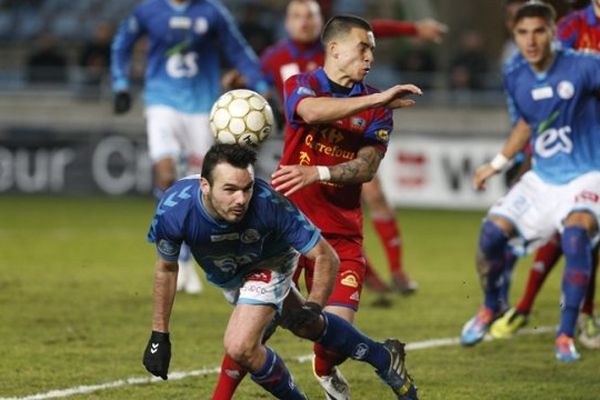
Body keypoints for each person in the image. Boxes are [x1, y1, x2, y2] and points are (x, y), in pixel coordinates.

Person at [212, 11, 423, 400]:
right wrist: (379, 97)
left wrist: (319, 173)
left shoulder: (378, 109)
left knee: (330, 338)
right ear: (335, 49)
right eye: (363, 48)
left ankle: (327, 367)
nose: (369, 58)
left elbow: (367, 167)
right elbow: (309, 112)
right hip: (284, 232)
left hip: (341, 235)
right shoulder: (302, 84)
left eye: (372, 50)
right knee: (256, 328)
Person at [142, 143, 418, 400]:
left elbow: (326, 256)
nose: (241, 199)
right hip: (231, 275)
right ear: (205, 186)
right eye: (229, 190)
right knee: (305, 324)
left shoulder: (269, 203)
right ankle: (383, 356)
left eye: (246, 188)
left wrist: (315, 304)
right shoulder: (174, 209)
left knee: (241, 345)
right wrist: (159, 335)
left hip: (270, 262)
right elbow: (167, 268)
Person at [459, 2, 600, 362]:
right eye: (523, 33)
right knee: (491, 234)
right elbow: (526, 124)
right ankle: (492, 306)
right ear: (514, 35)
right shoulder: (514, 74)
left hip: (587, 173)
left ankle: (566, 333)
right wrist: (497, 163)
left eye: (539, 31)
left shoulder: (585, 66)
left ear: (554, 32)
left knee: (575, 235)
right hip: (544, 176)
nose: (531, 40)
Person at [111, 0, 269, 295]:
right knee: (166, 175)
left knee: (207, 185)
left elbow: (238, 49)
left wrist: (261, 84)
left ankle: (222, 264)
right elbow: (122, 43)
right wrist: (120, 84)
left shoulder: (212, 11)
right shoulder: (148, 10)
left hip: (202, 107)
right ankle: (179, 259)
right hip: (162, 102)